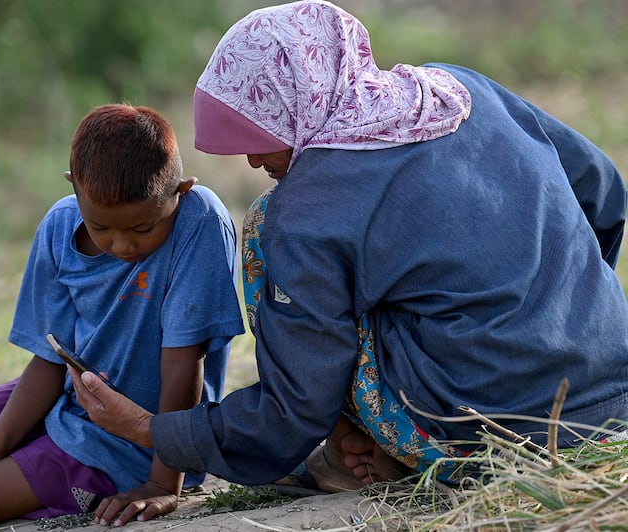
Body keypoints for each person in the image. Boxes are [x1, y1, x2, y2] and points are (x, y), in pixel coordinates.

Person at [72, 0, 628, 525]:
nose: (253, 157)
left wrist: (149, 429)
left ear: (299, 99)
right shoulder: (456, 89)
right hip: (611, 398)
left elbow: (295, 410)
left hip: (491, 434)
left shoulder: (306, 211)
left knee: (263, 226)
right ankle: (373, 449)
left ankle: (365, 452)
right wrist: (558, 301)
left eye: (259, 132)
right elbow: (602, 190)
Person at [0, 103, 245, 531]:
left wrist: (162, 483)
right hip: (70, 396)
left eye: (142, 230)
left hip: (134, 443)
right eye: (100, 228)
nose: (121, 246)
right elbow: (52, 356)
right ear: (75, 190)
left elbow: (184, 361)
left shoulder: (199, 222)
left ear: (180, 191)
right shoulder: (59, 226)